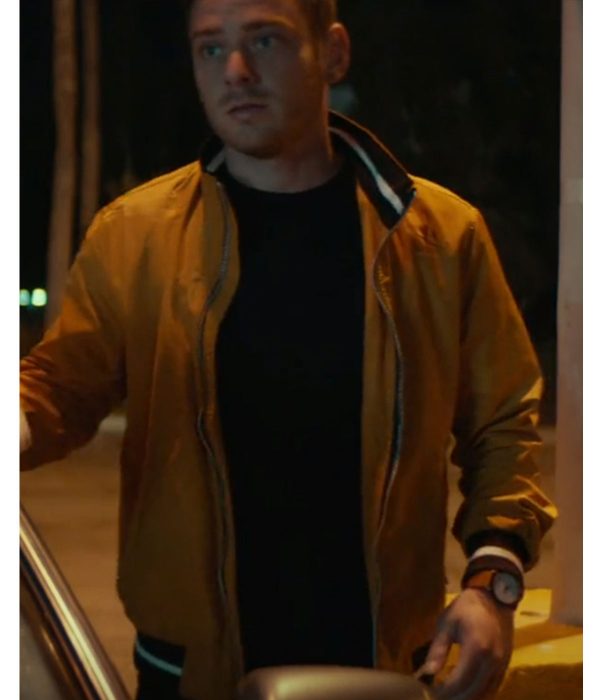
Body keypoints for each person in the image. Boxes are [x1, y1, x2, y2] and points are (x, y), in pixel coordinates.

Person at [20, 0, 557, 698]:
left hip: (381, 669)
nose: (235, 71)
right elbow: (62, 385)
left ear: (332, 53)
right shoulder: (136, 234)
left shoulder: (438, 238)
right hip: (192, 675)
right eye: (210, 49)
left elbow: (503, 424)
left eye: (265, 41)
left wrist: (493, 580)